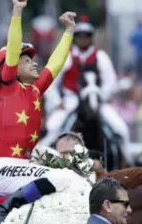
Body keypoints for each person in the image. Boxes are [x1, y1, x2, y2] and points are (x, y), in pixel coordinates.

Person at [0, 0, 76, 196]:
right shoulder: (7, 84)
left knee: (75, 169)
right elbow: (12, 49)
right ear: (12, 68)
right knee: (67, 178)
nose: (34, 62)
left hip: (25, 165)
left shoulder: (35, 89)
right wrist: (17, 11)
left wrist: (69, 31)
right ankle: (7, 209)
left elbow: (55, 63)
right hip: (4, 169)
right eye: (26, 61)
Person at [43, 15, 133, 166]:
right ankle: (43, 162)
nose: (83, 39)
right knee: (53, 128)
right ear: (75, 38)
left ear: (91, 38)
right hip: (70, 101)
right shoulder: (66, 56)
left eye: (87, 36)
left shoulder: (101, 56)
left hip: (97, 101)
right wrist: (57, 102)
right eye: (80, 36)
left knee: (120, 128)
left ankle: (128, 162)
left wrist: (98, 97)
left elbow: (110, 82)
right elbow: (50, 80)